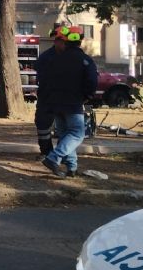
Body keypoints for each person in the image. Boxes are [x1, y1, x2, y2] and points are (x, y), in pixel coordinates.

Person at [40, 26, 99, 178]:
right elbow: (92, 82)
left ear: (65, 42)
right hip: (73, 102)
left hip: (54, 102)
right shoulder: (85, 60)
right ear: (80, 41)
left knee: (65, 134)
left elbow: (45, 78)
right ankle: (53, 158)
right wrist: (87, 96)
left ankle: (72, 167)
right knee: (77, 134)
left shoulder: (54, 59)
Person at [35, 24, 67, 156]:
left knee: (65, 128)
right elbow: (41, 77)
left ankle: (61, 154)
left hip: (65, 98)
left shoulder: (72, 56)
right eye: (60, 41)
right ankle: (46, 152)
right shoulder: (45, 57)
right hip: (47, 97)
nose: (63, 44)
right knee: (42, 125)